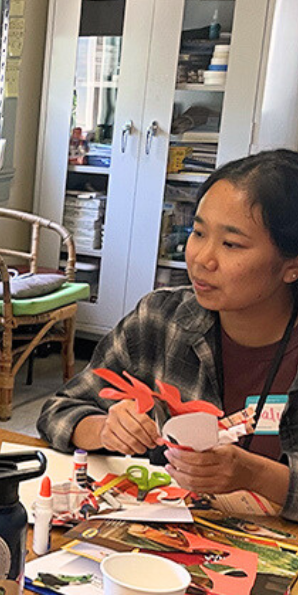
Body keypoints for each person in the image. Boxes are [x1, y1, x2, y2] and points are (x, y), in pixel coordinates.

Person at [38, 149, 298, 520]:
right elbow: (58, 410)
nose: (202, 258)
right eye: (198, 232)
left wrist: (253, 473)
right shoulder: (162, 320)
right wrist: (105, 430)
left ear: (292, 265)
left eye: (231, 244)